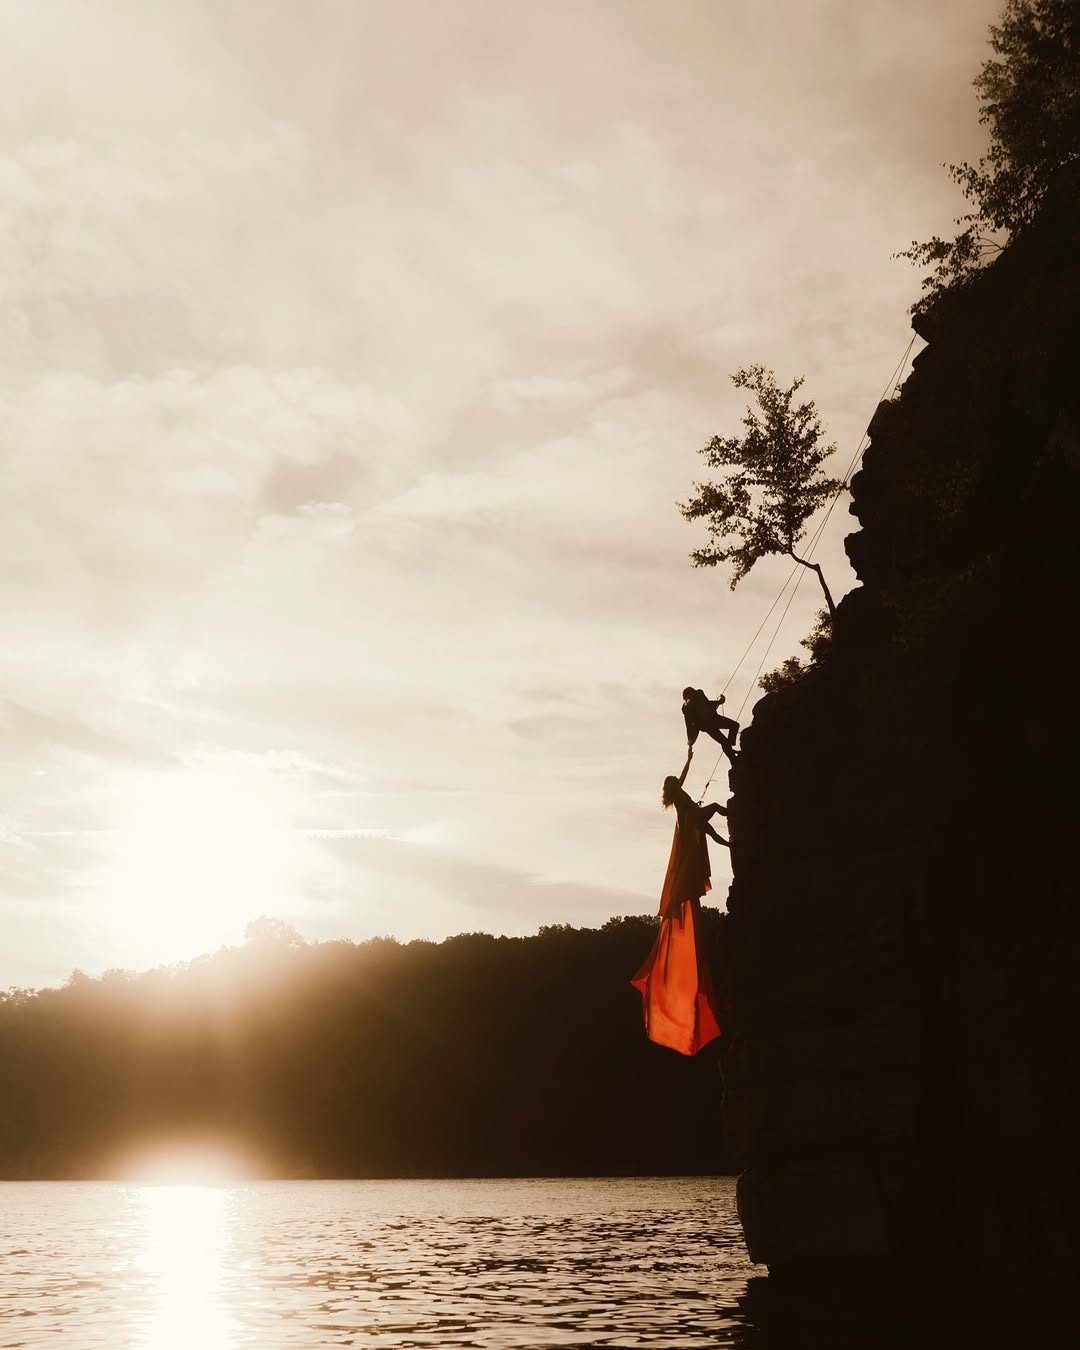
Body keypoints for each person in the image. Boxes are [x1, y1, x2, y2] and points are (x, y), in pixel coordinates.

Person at [631, 753, 725, 1056]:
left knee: (712, 823)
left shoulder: (678, 796)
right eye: (675, 781)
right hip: (692, 819)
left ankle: (728, 839)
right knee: (715, 810)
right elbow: (685, 778)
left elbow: (683, 779)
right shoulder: (680, 796)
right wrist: (689, 757)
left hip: (692, 819)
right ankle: (730, 829)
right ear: (673, 786)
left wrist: (689, 757)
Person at [682, 686, 739, 762]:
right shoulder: (687, 707)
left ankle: (730, 746)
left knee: (733, 728)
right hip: (709, 725)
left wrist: (719, 702)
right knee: (726, 737)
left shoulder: (699, 694)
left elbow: (708, 704)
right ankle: (732, 756)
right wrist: (690, 739)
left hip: (713, 721)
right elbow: (688, 724)